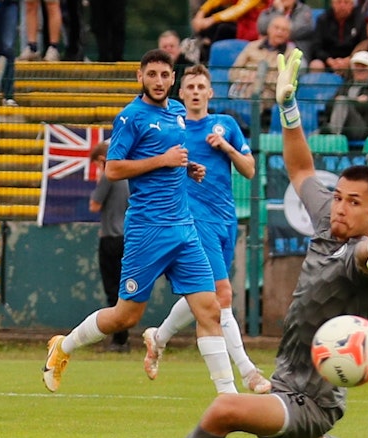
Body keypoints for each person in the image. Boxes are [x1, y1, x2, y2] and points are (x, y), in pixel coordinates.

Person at [117, 50, 368, 438]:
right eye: (338, 197)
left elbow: (366, 263)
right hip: (290, 377)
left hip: (314, 394)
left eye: (354, 203)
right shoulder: (326, 218)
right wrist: (288, 108)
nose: (340, 207)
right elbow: (302, 169)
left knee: (224, 410)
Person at [42, 50, 233, 395]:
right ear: (140, 76)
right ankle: (64, 346)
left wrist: (187, 167)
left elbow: (172, 157)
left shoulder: (177, 112)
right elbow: (114, 169)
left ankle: (229, 397)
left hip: (184, 229)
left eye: (165, 75)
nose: (158, 81)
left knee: (210, 310)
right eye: (152, 74)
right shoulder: (130, 117)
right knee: (125, 316)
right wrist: (163, 160)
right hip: (148, 230)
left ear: (172, 79)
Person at [141, 64, 268, 394]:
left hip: (224, 219)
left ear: (210, 92)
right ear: (181, 93)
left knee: (205, 295)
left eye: (201, 87)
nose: (196, 92)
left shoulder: (226, 125)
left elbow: (250, 170)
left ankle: (159, 337)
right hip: (193, 221)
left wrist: (225, 147)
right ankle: (248, 372)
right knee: (222, 294)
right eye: (190, 87)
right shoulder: (174, 128)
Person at [89, 142, 132, 351]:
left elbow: (94, 205)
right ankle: (122, 337)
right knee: (125, 288)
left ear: (102, 160)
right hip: (127, 236)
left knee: (113, 289)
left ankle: (119, 339)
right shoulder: (128, 176)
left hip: (111, 238)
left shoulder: (108, 176)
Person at [326, 50, 368, 140]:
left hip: (364, 128)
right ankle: (331, 133)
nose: (360, 69)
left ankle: (334, 137)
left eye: (363, 66)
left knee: (342, 101)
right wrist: (353, 101)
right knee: (316, 133)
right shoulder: (346, 86)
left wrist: (346, 101)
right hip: (344, 126)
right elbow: (328, 105)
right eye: (357, 66)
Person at [312, 0, 364, 72]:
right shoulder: (323, 20)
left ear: (352, 5)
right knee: (315, 65)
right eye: (339, 2)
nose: (342, 6)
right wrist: (329, 60)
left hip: (352, 60)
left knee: (362, 63)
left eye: (346, 2)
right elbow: (316, 47)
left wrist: (349, 60)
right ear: (332, 4)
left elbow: (363, 45)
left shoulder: (360, 20)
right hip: (328, 60)